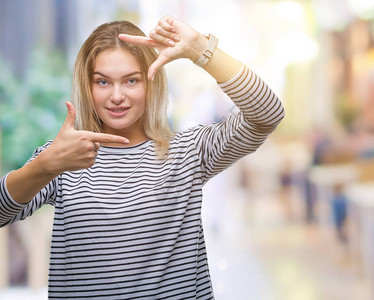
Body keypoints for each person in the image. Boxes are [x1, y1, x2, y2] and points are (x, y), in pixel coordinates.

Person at [0, 16, 285, 299]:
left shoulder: (188, 152)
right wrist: (46, 165)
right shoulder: (64, 155)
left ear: (151, 82)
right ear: (87, 86)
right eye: (102, 82)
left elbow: (267, 114)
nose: (116, 96)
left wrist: (200, 48)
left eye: (131, 80)